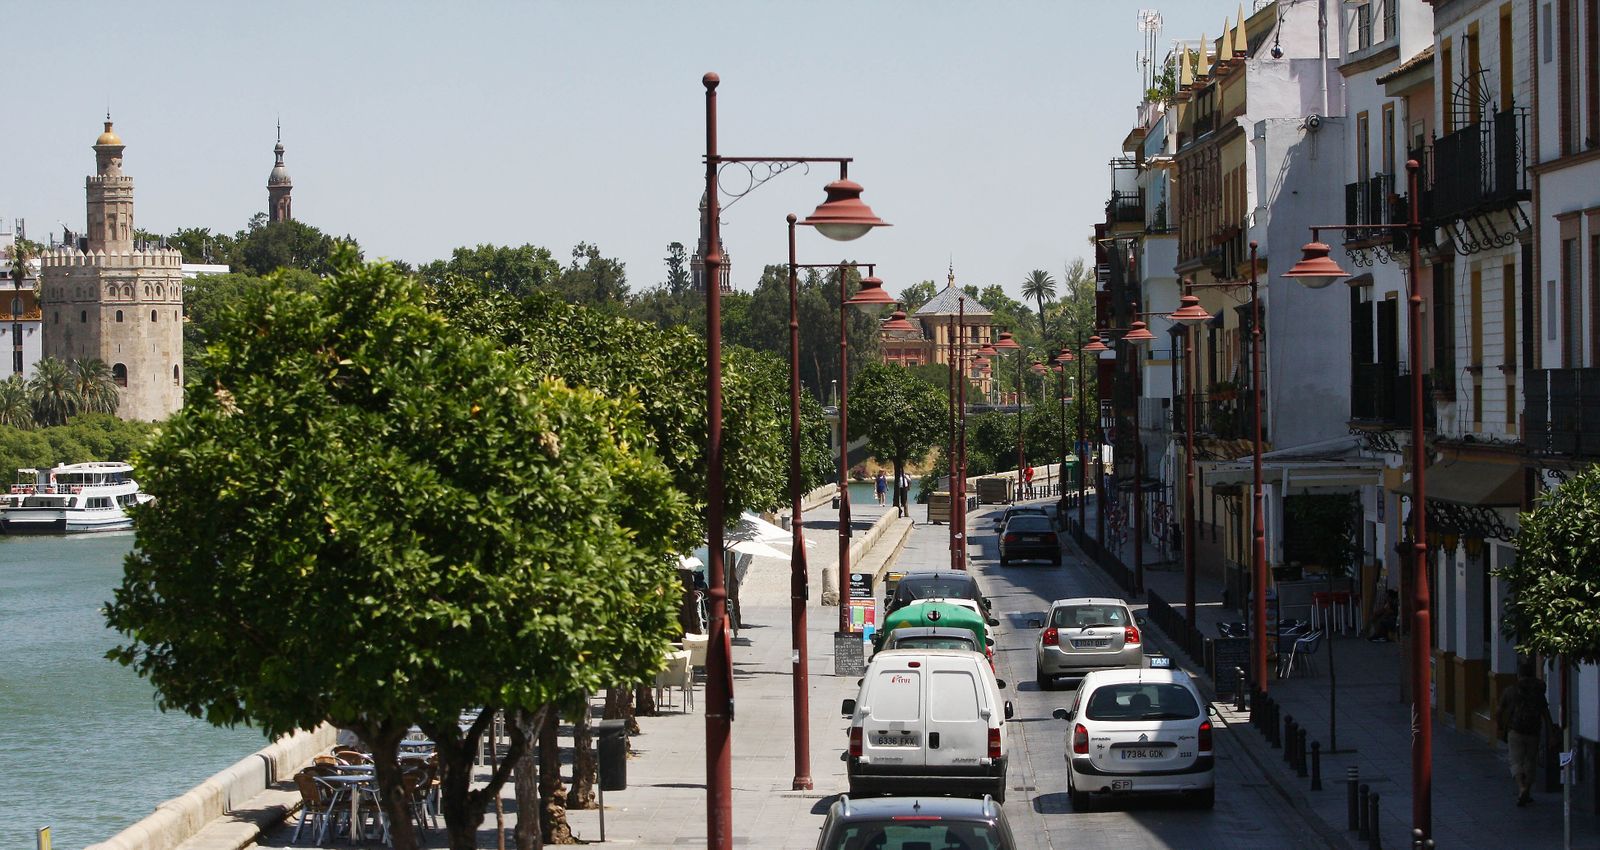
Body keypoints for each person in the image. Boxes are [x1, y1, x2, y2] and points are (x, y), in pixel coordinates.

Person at [1498, 659, 1553, 806]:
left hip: (1515, 730)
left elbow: (1499, 710)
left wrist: (1499, 726)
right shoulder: (1538, 692)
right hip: (1533, 731)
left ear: (1519, 675)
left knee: (1516, 761)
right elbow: (1545, 713)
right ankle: (1527, 791)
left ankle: (1521, 787)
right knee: (1530, 762)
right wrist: (1551, 733)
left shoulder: (1510, 690)